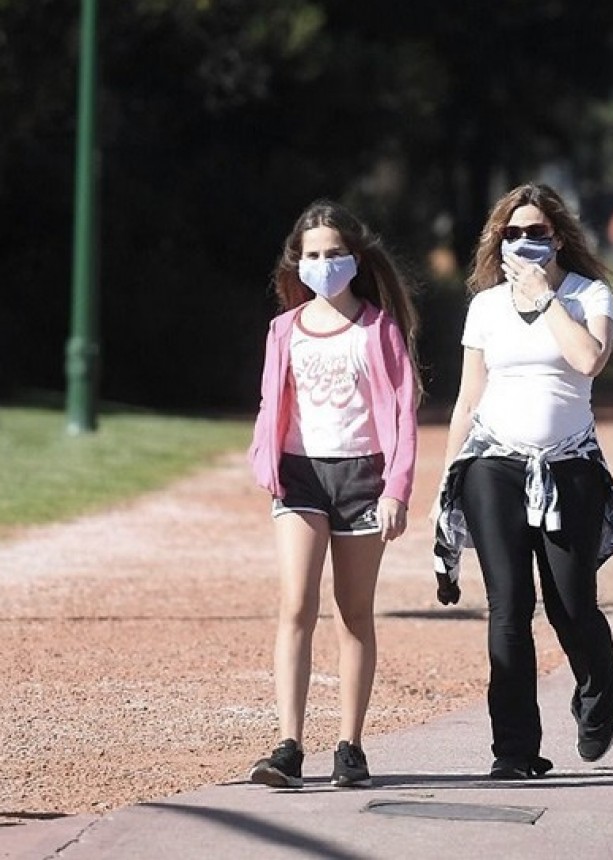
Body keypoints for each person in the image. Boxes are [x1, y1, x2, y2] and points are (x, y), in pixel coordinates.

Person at [433, 183, 613, 780]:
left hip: (570, 466)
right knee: (508, 608)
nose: (523, 242)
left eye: (536, 232)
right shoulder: (486, 306)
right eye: (511, 234)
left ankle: (600, 693)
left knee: (571, 606)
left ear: (558, 237)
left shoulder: (589, 294)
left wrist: (547, 298)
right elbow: (468, 399)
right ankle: (514, 751)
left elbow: (589, 359)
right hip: (493, 464)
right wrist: (446, 488)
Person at [247, 200, 420, 789]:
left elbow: (403, 415)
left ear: (355, 258)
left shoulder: (379, 329)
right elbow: (271, 402)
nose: (324, 264)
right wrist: (264, 460)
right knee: (296, 604)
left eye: (335, 253)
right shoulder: (284, 330)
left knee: (353, 612)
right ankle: (288, 746)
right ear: (298, 262)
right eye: (313, 255)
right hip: (300, 475)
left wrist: (396, 490)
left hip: (362, 477)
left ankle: (350, 747)